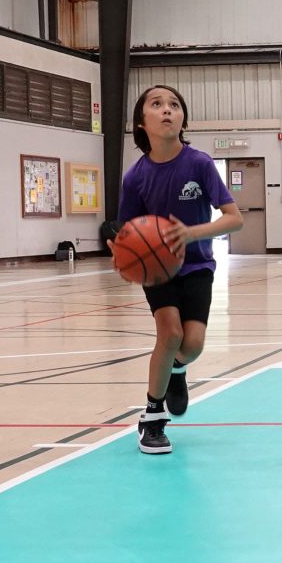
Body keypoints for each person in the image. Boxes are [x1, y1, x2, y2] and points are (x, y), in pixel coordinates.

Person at [115, 85, 243, 454]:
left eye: (174, 105)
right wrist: (121, 252)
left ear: (183, 119)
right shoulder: (135, 177)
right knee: (169, 334)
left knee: (193, 345)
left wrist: (190, 234)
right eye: (157, 104)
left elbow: (234, 219)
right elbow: (127, 230)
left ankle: (176, 369)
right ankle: (152, 417)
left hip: (198, 264)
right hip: (157, 268)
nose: (167, 110)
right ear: (142, 123)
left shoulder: (199, 164)